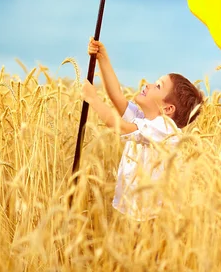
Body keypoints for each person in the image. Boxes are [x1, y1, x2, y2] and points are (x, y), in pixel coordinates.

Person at [82, 38, 204, 221]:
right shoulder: (144, 119)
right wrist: (102, 58)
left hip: (148, 218)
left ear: (168, 109)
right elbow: (117, 97)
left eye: (158, 86)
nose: (149, 84)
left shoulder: (165, 130)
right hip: (131, 209)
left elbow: (119, 126)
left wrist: (93, 99)